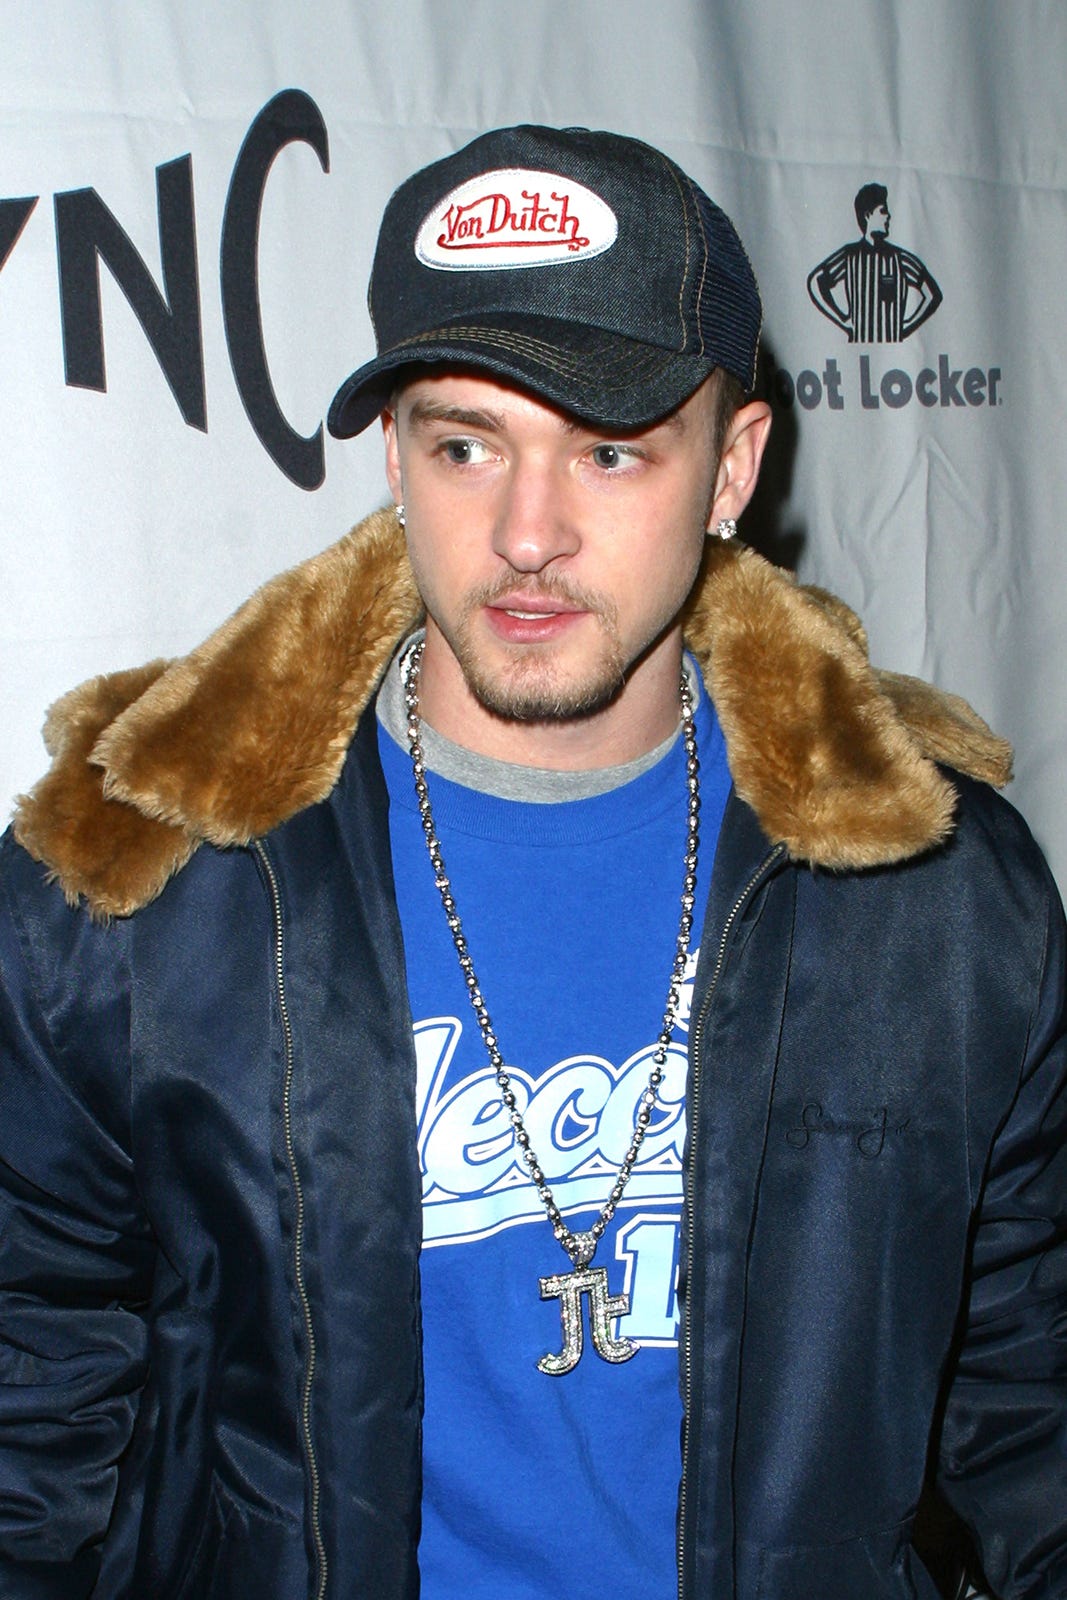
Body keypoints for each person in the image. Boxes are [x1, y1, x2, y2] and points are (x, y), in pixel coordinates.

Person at [0, 124, 1064, 1600]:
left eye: (610, 449)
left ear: (729, 468)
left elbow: (1032, 1397)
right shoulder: (143, 887)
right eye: (463, 444)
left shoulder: (931, 891)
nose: (525, 533)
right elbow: (29, 1400)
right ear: (392, 455)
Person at [807, 180, 943, 342]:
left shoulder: (900, 259)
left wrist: (905, 327)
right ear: (868, 215)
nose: (889, 216)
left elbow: (933, 294)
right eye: (883, 211)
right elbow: (816, 281)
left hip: (897, 353)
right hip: (855, 353)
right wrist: (843, 320)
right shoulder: (849, 256)